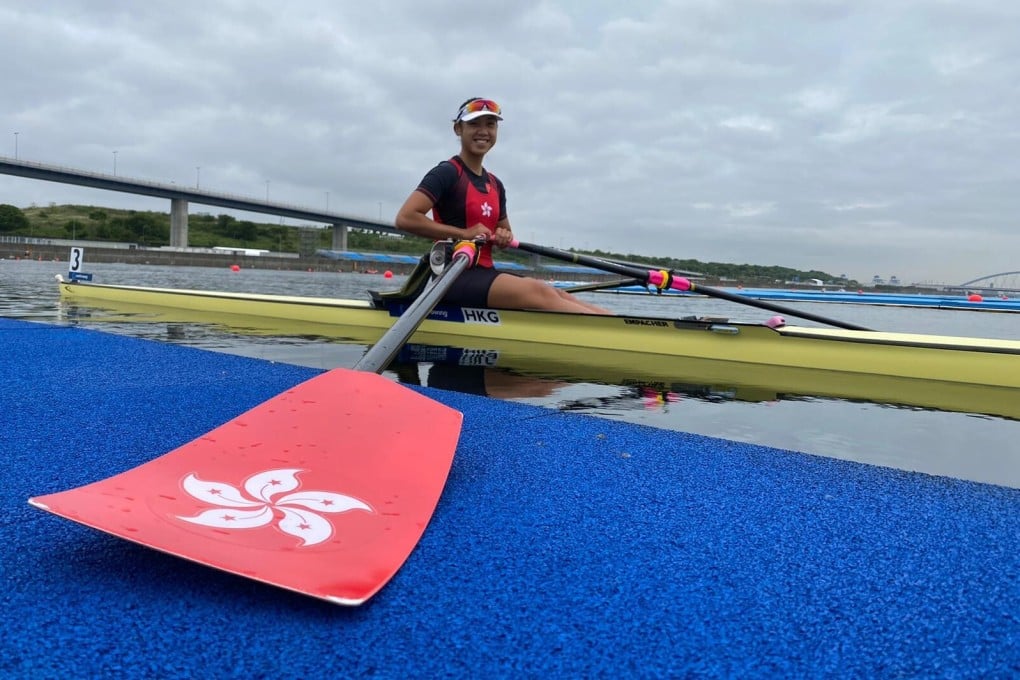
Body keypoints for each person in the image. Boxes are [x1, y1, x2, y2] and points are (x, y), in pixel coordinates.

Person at [395, 97, 611, 314]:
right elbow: (406, 218)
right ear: (458, 129)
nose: (483, 131)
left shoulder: (495, 185)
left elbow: (505, 232)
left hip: (485, 272)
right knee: (538, 291)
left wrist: (504, 237)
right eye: (474, 124)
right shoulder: (447, 173)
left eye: (490, 124)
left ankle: (617, 323)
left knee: (556, 293)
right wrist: (465, 233)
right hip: (450, 276)